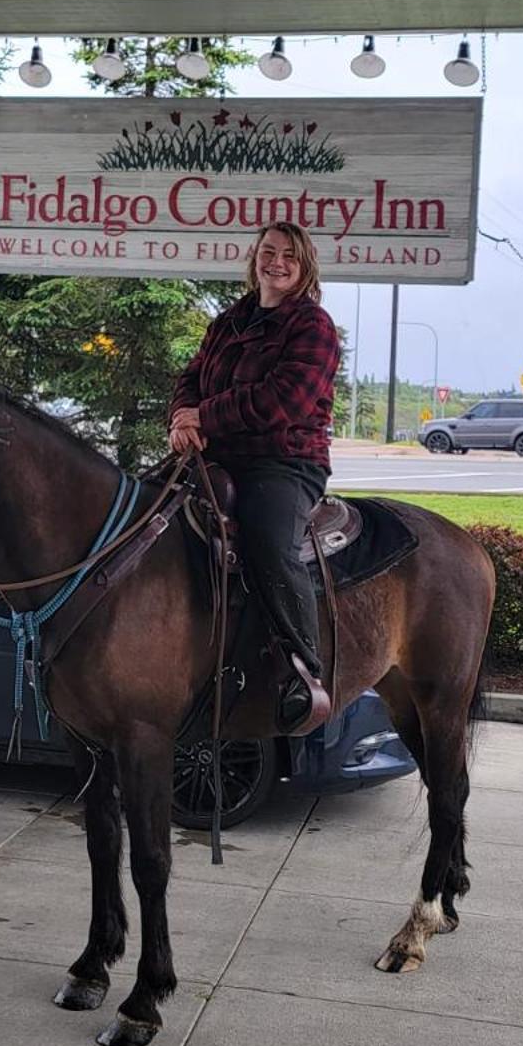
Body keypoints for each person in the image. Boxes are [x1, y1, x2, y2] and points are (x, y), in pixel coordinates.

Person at [169, 221, 341, 733]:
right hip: (219, 456)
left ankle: (302, 672)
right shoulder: (229, 321)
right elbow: (190, 378)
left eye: (289, 255)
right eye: (269, 251)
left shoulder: (313, 326)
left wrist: (205, 417)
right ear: (255, 258)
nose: (277, 262)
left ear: (304, 265)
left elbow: (284, 399)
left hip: (285, 460)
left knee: (268, 537)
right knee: (153, 516)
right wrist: (182, 417)